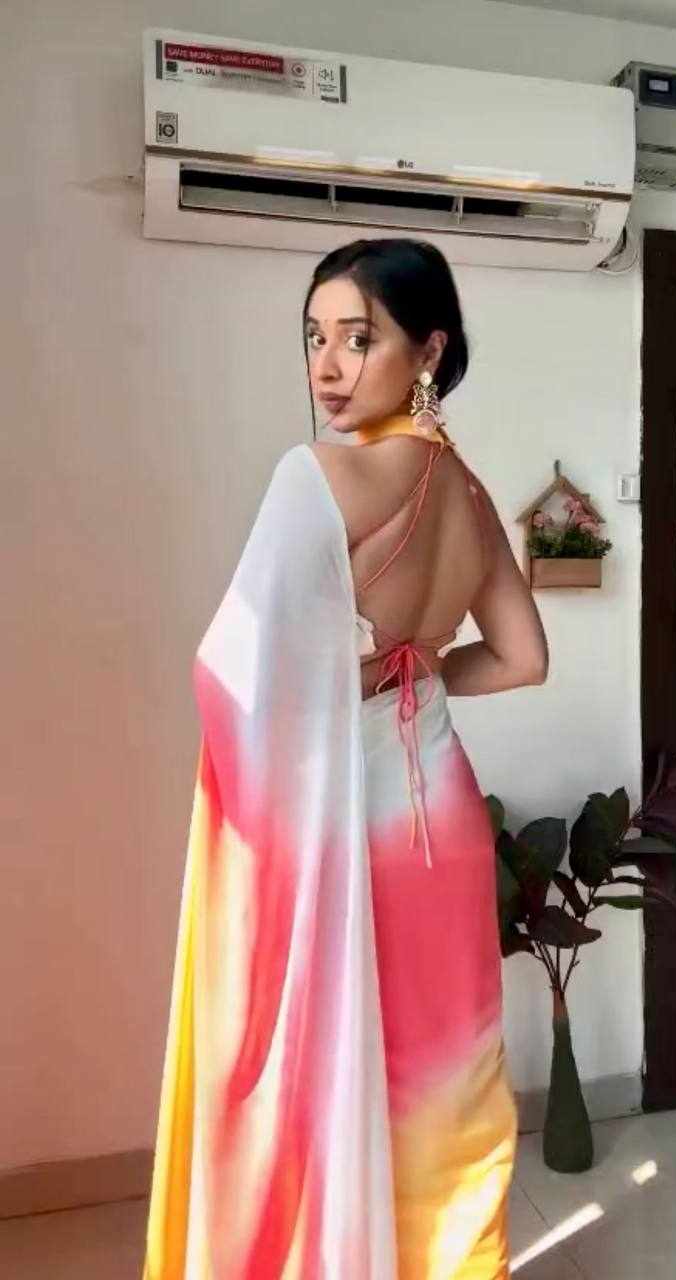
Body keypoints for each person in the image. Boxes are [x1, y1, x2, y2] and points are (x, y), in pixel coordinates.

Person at [142, 238, 548, 1280]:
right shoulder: (468, 495)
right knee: (441, 1073)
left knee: (321, 1062)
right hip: (440, 818)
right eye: (314, 338)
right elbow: (521, 658)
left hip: (339, 821)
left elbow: (232, 673)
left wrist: (343, 683)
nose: (326, 367)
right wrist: (420, 668)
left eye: (357, 339)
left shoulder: (317, 475)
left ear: (428, 350)